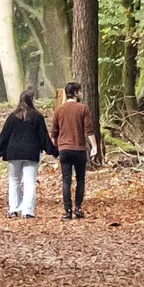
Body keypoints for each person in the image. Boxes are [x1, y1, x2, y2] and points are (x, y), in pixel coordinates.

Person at [0, 89, 51, 218]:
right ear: (31, 100)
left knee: (14, 180)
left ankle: (13, 209)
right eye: (34, 98)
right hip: (31, 153)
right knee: (29, 182)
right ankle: (28, 211)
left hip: (13, 153)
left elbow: (4, 135)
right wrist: (53, 150)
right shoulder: (37, 117)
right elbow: (44, 137)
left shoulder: (13, 117)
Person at [47, 80, 96, 219]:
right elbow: (89, 130)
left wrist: (55, 148)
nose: (81, 94)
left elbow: (54, 132)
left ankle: (67, 210)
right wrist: (94, 146)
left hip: (64, 149)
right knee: (80, 179)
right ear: (75, 93)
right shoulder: (83, 109)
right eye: (80, 91)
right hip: (79, 149)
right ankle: (78, 208)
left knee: (66, 180)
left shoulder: (59, 110)